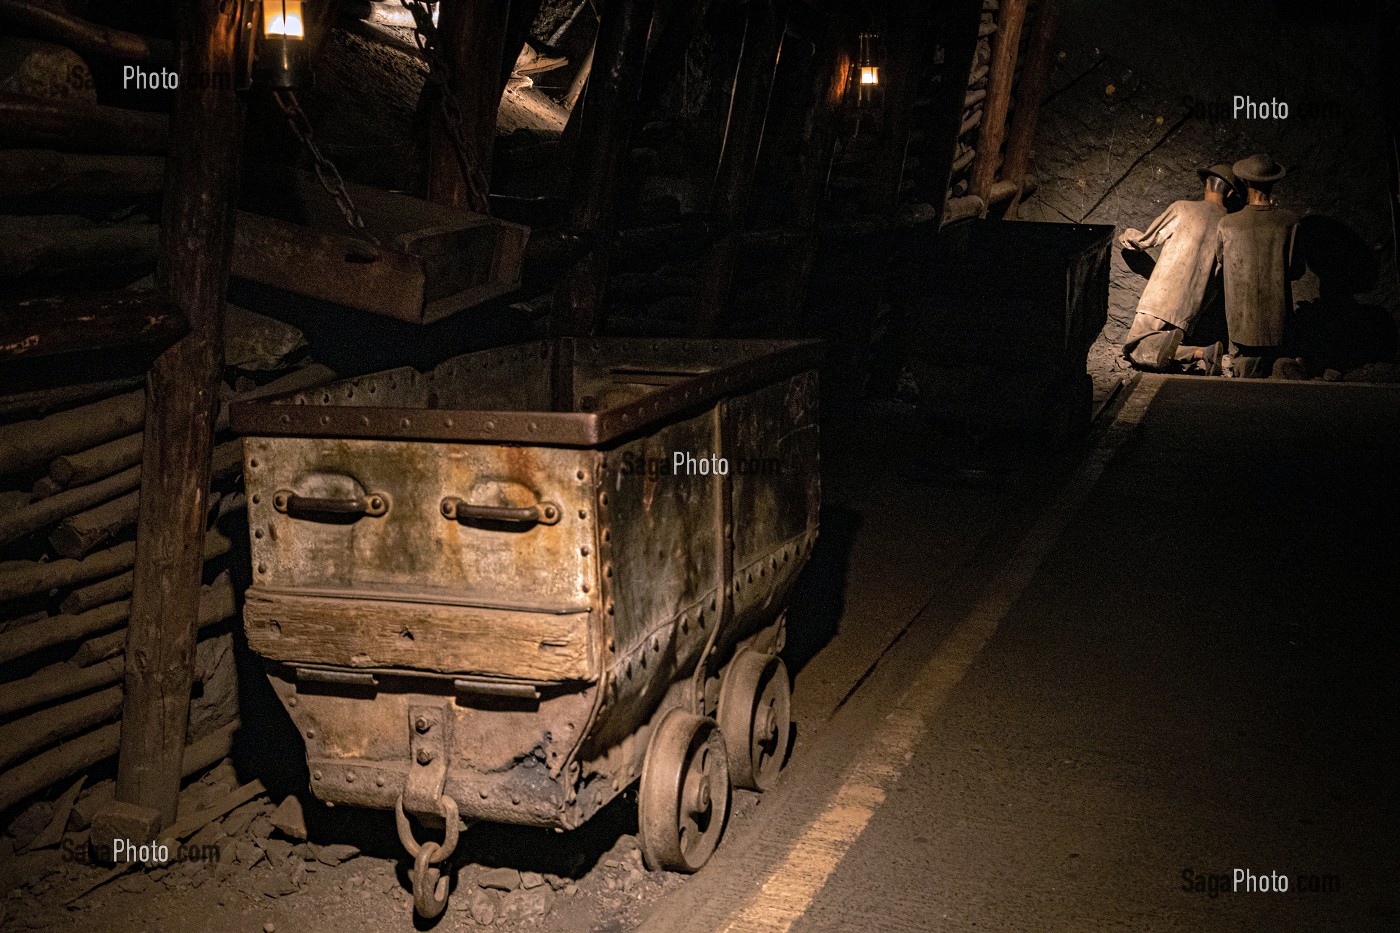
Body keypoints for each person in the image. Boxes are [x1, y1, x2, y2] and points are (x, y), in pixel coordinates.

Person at [1118, 163, 1238, 375]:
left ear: (1206, 185)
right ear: (1229, 193)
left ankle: (1175, 347)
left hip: (1160, 297)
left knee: (1134, 348)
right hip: (1191, 306)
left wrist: (1127, 235)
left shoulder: (1182, 208)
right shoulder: (1229, 225)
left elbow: (1147, 240)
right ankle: (1203, 352)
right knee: (1157, 347)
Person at [1215, 153, 1304, 378]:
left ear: (1245, 182)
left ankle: (1246, 362)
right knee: (1281, 359)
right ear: (1273, 183)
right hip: (1278, 327)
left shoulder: (1227, 223)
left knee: (1245, 360)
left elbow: (1221, 261)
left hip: (1241, 328)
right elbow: (1296, 270)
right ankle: (1278, 363)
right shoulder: (1289, 221)